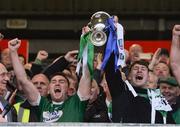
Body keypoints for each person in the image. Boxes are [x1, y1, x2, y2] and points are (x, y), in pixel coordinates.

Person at [9, 38, 92, 122]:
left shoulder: (77, 102)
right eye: (53, 82)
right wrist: (13, 51)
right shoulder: (42, 104)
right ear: (48, 90)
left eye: (61, 81)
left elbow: (87, 75)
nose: (57, 83)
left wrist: (88, 40)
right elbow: (23, 80)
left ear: (68, 89)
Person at [104, 53, 174, 123]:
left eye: (143, 69)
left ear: (148, 77)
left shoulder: (158, 100)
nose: (139, 70)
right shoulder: (121, 93)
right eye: (135, 68)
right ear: (129, 76)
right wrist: (113, 49)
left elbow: (170, 123)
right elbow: (111, 71)